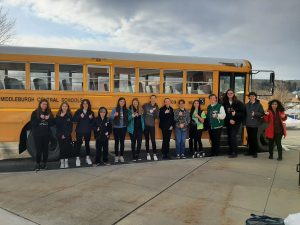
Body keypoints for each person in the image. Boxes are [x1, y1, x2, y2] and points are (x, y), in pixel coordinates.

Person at [30, 99, 54, 171]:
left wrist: (48, 119)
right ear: (40, 104)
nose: (45, 105)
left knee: (45, 150)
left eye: (46, 104)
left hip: (46, 134)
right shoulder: (35, 112)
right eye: (43, 104)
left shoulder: (49, 113)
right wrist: (40, 118)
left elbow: (52, 124)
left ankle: (45, 164)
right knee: (38, 150)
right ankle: (37, 164)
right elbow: (33, 124)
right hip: (38, 135)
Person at [222, 89, 245, 158]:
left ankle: (234, 152)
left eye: (231, 93)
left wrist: (236, 114)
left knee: (232, 136)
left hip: (236, 122)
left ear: (234, 94)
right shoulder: (224, 103)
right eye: (228, 93)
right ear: (226, 94)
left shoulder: (238, 103)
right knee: (229, 136)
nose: (229, 94)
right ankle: (231, 151)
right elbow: (224, 113)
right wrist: (229, 120)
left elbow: (243, 113)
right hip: (228, 122)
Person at [73, 99, 94, 166]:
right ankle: (77, 158)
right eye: (84, 103)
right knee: (78, 145)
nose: (85, 104)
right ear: (82, 104)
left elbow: (93, 122)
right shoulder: (78, 111)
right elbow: (74, 120)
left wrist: (91, 118)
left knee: (87, 145)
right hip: (79, 131)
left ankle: (87, 157)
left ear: (88, 104)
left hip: (87, 131)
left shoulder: (91, 112)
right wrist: (80, 116)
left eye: (87, 103)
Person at [245, 92, 264, 158]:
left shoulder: (259, 105)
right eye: (251, 96)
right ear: (249, 97)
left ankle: (255, 152)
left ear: (255, 97)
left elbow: (262, 114)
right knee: (249, 138)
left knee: (254, 138)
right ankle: (250, 151)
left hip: (255, 124)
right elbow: (245, 114)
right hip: (248, 124)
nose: (252, 97)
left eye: (253, 96)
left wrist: (255, 113)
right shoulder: (246, 105)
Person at [55, 102, 73, 169]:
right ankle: (62, 162)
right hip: (60, 135)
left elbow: (70, 127)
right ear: (61, 107)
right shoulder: (58, 115)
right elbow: (57, 125)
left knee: (67, 148)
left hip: (67, 135)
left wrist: (65, 135)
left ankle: (66, 161)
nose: (64, 107)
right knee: (61, 148)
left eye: (66, 106)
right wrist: (61, 117)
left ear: (67, 107)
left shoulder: (69, 115)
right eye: (63, 106)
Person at [110, 97, 128, 163]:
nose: (122, 102)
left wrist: (132, 115)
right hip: (116, 128)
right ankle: (116, 156)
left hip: (123, 128)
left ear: (124, 103)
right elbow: (110, 118)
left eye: (123, 101)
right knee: (117, 142)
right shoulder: (115, 109)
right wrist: (114, 115)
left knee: (122, 142)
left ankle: (122, 156)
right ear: (118, 102)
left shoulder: (126, 110)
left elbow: (128, 118)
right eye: (121, 101)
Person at [143, 95, 159, 161]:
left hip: (152, 125)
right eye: (152, 98)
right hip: (146, 125)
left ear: (155, 99)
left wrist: (154, 111)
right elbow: (142, 113)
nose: (153, 99)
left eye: (154, 98)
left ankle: (154, 154)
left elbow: (157, 117)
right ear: (150, 99)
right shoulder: (146, 105)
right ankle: (148, 154)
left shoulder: (157, 107)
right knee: (147, 140)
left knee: (153, 140)